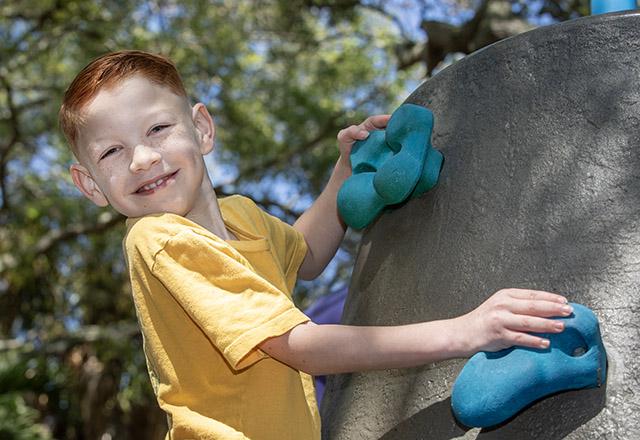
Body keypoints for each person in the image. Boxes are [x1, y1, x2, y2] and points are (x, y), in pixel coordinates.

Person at [59, 50, 573, 439]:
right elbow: (299, 347)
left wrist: (343, 174)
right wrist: (466, 332)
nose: (143, 159)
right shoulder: (159, 239)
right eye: (112, 151)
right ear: (89, 186)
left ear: (201, 128)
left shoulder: (240, 216)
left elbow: (305, 255)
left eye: (158, 128)